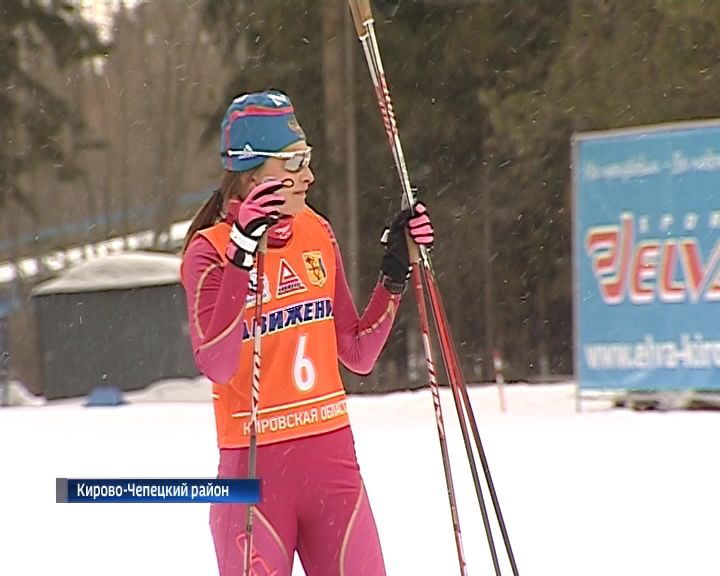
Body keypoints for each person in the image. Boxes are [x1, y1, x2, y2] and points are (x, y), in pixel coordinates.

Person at [180, 89, 433, 576]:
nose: (309, 175)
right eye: (294, 162)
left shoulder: (316, 230)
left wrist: (395, 271)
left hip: (332, 466)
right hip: (253, 479)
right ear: (252, 175)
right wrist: (241, 255)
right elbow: (217, 363)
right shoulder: (209, 251)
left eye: (308, 158)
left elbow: (356, 352)